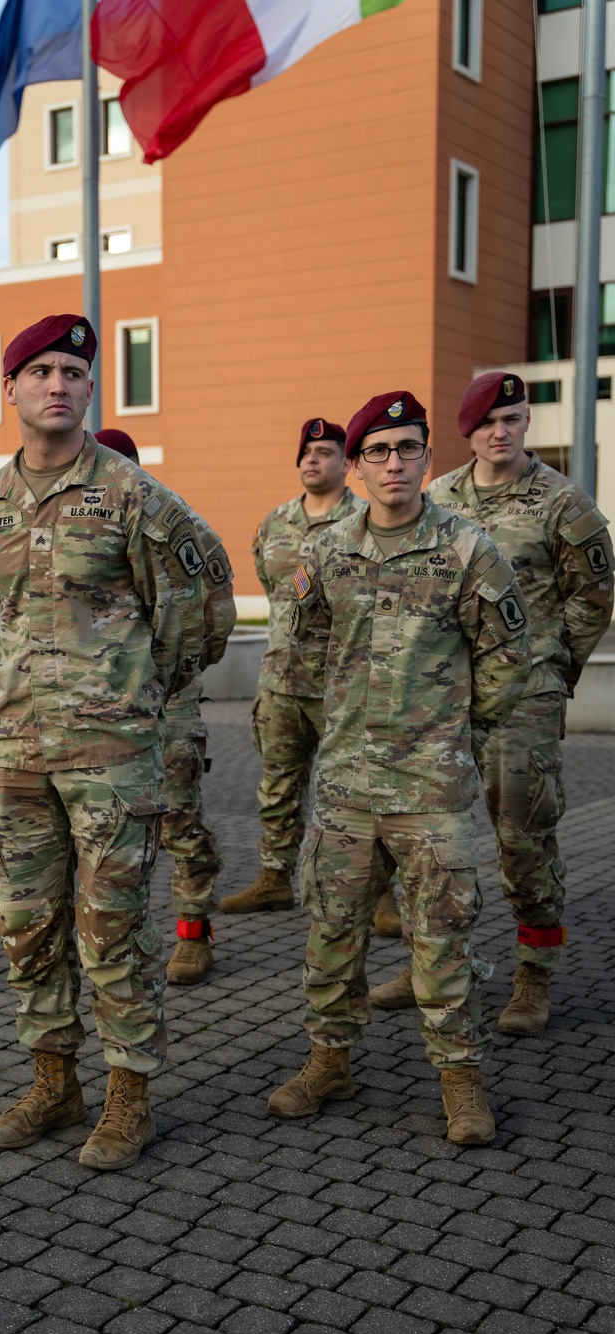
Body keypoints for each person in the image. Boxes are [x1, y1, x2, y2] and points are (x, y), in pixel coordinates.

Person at [0, 314, 224, 1171]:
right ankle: (52, 1080)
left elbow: (202, 606)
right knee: (27, 924)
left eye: (74, 371)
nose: (57, 385)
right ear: (10, 391)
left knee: (111, 928)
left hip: (111, 758)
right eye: (40, 372)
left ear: (89, 388)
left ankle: (128, 1095)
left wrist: (137, 689)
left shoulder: (134, 496)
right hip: (17, 755)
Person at [267, 393, 532, 1145]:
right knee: (332, 933)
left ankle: (461, 1082)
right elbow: (300, 651)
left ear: (426, 457)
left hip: (431, 788)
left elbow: (508, 658)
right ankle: (329, 1063)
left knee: (443, 937)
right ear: (356, 466)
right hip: (347, 787)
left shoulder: (467, 547)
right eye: (378, 451)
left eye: (407, 449)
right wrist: (340, 729)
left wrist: (453, 734)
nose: (393, 463)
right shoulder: (325, 551)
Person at [403, 372, 613, 1036]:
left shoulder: (562, 502)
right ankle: (438, 965)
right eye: (490, 421)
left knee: (524, 840)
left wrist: (553, 665)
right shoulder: (438, 496)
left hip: (522, 700)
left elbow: (594, 596)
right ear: (469, 429)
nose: (503, 431)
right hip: (445, 698)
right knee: (429, 840)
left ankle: (533, 973)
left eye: (514, 418)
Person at [93, 428, 236, 985]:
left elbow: (218, 611)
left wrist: (177, 675)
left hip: (167, 697)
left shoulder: (180, 524)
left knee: (177, 813)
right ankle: (121, 934)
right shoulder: (80, 522)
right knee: (107, 823)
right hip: (102, 701)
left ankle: (194, 931)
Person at [221, 420, 363, 915]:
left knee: (358, 789)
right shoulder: (273, 523)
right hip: (281, 681)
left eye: (324, 451)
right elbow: (272, 589)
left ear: (347, 464)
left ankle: (378, 891)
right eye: (306, 451)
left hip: (344, 685)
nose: (311, 459)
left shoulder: (367, 521)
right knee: (278, 785)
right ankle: (275, 877)